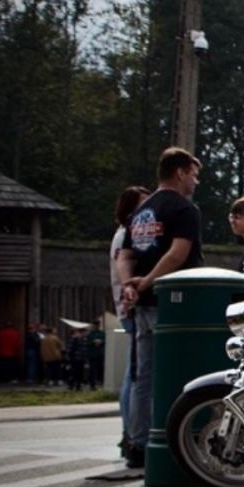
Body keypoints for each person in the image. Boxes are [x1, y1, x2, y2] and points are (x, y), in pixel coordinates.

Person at [118, 148, 204, 469]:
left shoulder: (140, 212)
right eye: (193, 174)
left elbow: (124, 257)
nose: (195, 182)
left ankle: (139, 444)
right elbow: (178, 255)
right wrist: (150, 281)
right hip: (176, 304)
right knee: (182, 374)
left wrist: (130, 284)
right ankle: (179, 440)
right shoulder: (185, 209)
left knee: (143, 376)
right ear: (180, 172)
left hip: (142, 304)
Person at [109, 185, 149, 456]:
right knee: (135, 375)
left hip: (126, 309)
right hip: (132, 309)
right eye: (144, 204)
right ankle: (131, 432)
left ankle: (130, 431)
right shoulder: (127, 235)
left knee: (133, 374)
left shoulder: (121, 234)